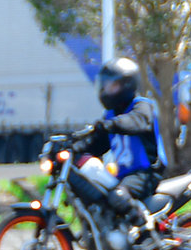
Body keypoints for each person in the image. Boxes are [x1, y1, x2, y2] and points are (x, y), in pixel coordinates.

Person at [64, 56, 166, 239]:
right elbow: (96, 145)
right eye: (104, 86)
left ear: (127, 85)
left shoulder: (142, 106)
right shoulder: (110, 114)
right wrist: (72, 148)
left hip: (147, 172)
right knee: (99, 192)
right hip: (124, 174)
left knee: (117, 195)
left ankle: (145, 226)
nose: (106, 90)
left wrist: (109, 124)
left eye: (112, 85)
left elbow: (136, 122)